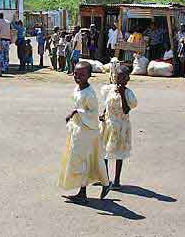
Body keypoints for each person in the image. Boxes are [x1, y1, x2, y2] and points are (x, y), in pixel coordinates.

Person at [59, 61, 110, 202]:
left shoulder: (90, 94)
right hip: (77, 129)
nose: (77, 76)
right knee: (80, 159)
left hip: (87, 131)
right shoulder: (78, 88)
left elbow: (93, 114)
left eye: (82, 74)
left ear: (89, 75)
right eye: (76, 73)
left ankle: (85, 191)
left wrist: (75, 111)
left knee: (82, 160)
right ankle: (100, 185)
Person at [99, 65, 137, 191]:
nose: (119, 79)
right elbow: (107, 103)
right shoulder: (110, 89)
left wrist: (122, 95)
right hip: (108, 125)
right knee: (104, 152)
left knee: (118, 154)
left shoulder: (128, 94)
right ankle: (105, 179)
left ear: (128, 79)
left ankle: (117, 180)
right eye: (117, 76)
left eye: (122, 77)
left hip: (121, 126)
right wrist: (103, 114)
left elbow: (126, 110)